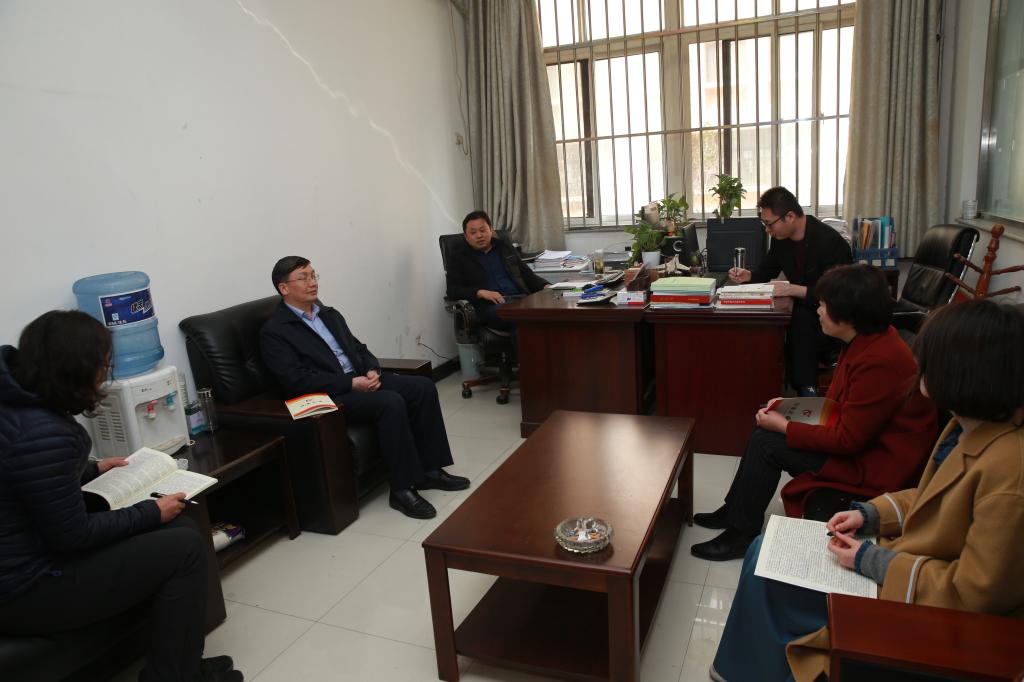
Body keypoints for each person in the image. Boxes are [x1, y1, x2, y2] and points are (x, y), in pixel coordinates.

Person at [710, 299, 1024, 682]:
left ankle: (748, 670)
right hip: (909, 563)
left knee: (766, 569)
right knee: (764, 549)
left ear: (964, 372)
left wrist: (869, 560)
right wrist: (871, 514)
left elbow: (970, 596)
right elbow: (932, 497)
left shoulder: (1010, 473)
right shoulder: (967, 427)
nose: (919, 367)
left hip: (929, 611)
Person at [0, 311, 241, 682]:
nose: (104, 375)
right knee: (185, 547)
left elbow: (20, 468)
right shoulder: (43, 432)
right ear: (78, 370)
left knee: (178, 530)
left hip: (20, 561)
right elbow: (72, 536)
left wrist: (90, 469)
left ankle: (180, 666)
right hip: (25, 587)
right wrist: (150, 512)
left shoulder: (15, 402)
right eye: (104, 366)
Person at [691, 264, 937, 561]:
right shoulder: (867, 340)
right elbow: (843, 407)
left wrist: (785, 426)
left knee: (768, 441)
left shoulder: (881, 360)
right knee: (764, 429)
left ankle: (741, 534)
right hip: (864, 445)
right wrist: (789, 409)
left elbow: (848, 440)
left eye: (823, 305)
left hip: (875, 464)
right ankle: (734, 512)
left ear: (848, 314)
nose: (818, 311)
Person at [260, 256, 468, 520]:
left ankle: (430, 471)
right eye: (304, 278)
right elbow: (296, 380)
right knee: (390, 402)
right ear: (284, 288)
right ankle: (402, 489)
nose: (312, 283)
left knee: (423, 387)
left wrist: (372, 369)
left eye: (314, 276)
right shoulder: (275, 331)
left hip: (358, 379)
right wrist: (350, 383)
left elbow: (358, 348)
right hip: (326, 395)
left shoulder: (329, 315)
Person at [728, 187, 852, 396]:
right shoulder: (781, 241)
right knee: (787, 323)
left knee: (801, 319)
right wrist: (748, 275)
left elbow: (838, 295)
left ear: (790, 216)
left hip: (833, 316)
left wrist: (792, 289)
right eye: (764, 224)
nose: (767, 230)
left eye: (769, 224)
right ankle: (781, 387)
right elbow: (766, 272)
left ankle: (807, 390)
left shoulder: (830, 242)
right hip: (804, 314)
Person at [444, 210, 549, 332]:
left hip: (521, 300)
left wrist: (546, 286)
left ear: (491, 230)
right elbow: (453, 290)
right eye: (473, 232)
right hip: (490, 306)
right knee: (519, 318)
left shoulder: (504, 247)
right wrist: (480, 292)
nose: (479, 235)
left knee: (550, 314)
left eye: (483, 230)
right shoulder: (459, 257)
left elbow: (526, 274)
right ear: (466, 237)